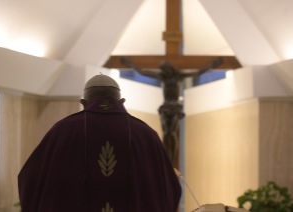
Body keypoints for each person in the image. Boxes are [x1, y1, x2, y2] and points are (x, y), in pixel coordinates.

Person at [18, 74, 181, 212]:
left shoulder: (62, 131)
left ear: (83, 102)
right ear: (122, 101)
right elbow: (170, 188)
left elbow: (30, 178)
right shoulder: (146, 134)